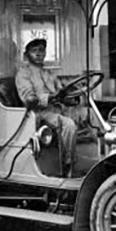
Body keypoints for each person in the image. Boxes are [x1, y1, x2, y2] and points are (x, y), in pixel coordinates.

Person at [15, 38, 94, 177]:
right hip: (37, 115)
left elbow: (61, 92)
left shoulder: (49, 74)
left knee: (89, 116)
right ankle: (67, 166)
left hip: (57, 111)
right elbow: (29, 100)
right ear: (26, 55)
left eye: (41, 50)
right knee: (68, 124)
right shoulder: (23, 74)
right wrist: (51, 97)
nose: (38, 54)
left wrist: (72, 97)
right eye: (34, 51)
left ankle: (95, 159)